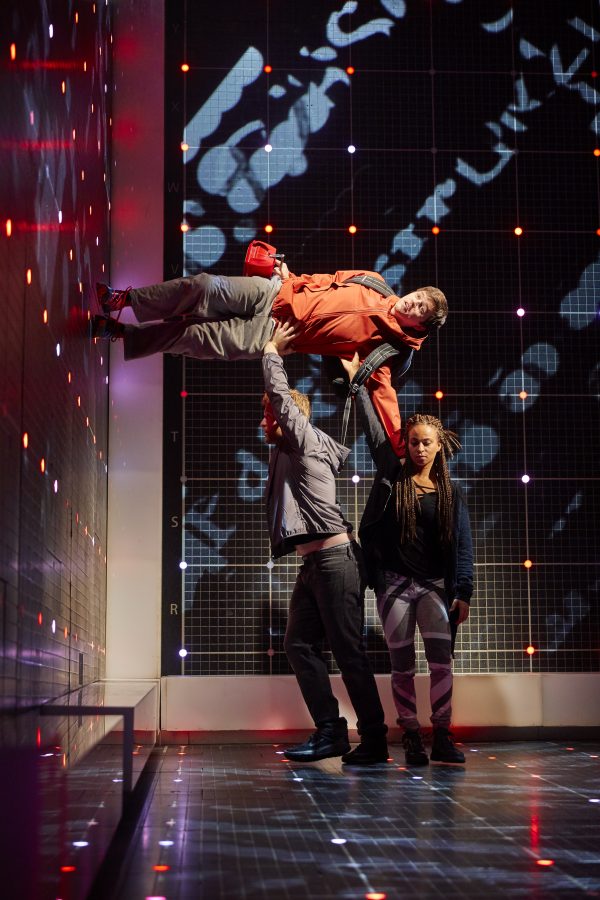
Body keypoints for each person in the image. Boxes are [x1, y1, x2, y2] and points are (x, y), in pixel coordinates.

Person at [92, 261, 447, 455]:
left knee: (193, 336)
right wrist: (292, 278)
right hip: (273, 293)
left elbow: (385, 398)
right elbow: (329, 278)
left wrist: (402, 444)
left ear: (420, 324)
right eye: (416, 297)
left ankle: (121, 333)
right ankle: (124, 300)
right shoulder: (374, 281)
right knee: (202, 287)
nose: (410, 303)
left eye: (418, 309)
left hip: (274, 335)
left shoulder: (386, 351)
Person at [260, 322, 388, 765]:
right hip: (314, 565)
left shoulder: (303, 441)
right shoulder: (285, 451)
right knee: (298, 644)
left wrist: (272, 352)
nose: (264, 421)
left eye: (269, 414)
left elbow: (282, 399)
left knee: (348, 651)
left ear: (288, 418)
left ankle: (374, 739)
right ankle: (331, 732)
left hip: (335, 561)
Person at [341, 353, 473, 766]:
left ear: (440, 445)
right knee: (401, 666)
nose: (418, 448)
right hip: (395, 586)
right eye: (413, 442)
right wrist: (358, 384)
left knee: (440, 664)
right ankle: (411, 736)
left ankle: (443, 735)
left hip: (436, 586)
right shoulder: (391, 477)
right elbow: (375, 433)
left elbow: (464, 547)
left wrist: (463, 591)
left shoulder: (451, 494)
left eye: (426, 442)